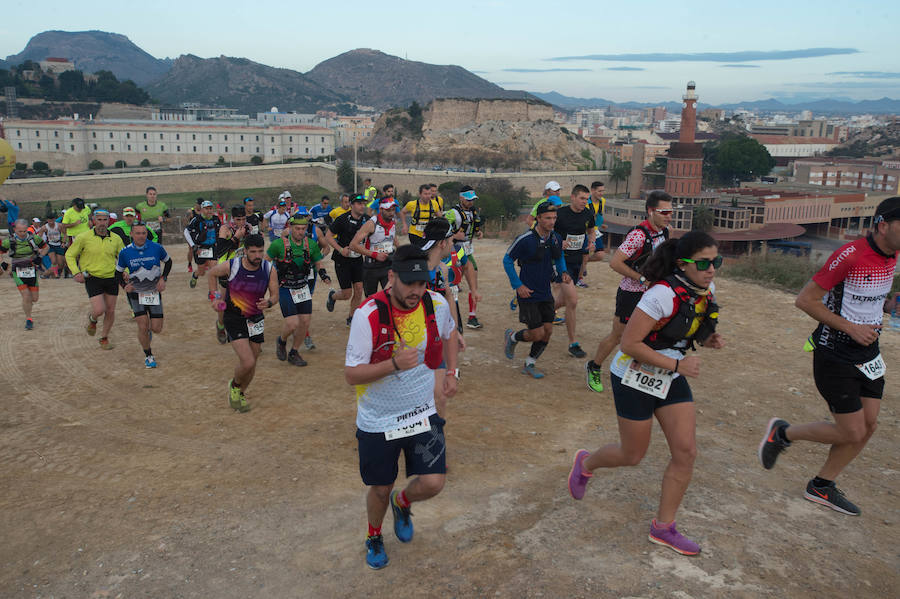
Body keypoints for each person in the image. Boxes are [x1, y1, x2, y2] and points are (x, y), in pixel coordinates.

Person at [568, 231, 725, 557]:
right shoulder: (661, 294)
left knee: (686, 452)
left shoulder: (704, 290)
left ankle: (663, 527)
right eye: (704, 263)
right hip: (633, 375)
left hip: (669, 376)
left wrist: (707, 339)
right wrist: (678, 365)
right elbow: (629, 343)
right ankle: (586, 463)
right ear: (683, 264)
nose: (711, 270)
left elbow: (686, 327)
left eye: (716, 262)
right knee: (632, 455)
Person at [759, 196, 900, 516]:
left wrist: (887, 304)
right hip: (835, 352)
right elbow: (805, 300)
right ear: (883, 226)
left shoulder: (892, 254)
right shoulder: (850, 255)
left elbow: (865, 295)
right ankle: (783, 433)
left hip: (869, 353)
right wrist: (850, 327)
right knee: (852, 430)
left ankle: (821, 486)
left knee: (869, 425)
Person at [345, 244, 459, 570]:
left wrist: (452, 371)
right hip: (379, 419)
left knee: (434, 482)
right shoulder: (368, 315)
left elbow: (450, 333)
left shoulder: (435, 304)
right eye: (409, 283)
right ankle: (374, 535)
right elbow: (351, 375)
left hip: (421, 411)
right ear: (392, 277)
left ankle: (403, 501)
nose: (416, 291)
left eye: (421, 283)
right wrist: (394, 364)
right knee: (380, 488)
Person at [586, 191, 673, 392]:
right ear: (651, 211)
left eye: (671, 212)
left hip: (653, 294)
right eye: (664, 212)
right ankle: (594, 366)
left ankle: (638, 377)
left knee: (649, 336)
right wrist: (641, 279)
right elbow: (615, 262)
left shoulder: (666, 231)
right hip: (631, 294)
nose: (669, 216)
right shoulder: (638, 235)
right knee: (618, 336)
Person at [206, 234, 279, 413]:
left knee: (253, 363)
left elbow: (275, 295)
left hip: (256, 318)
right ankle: (235, 385)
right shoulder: (233, 265)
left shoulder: (269, 269)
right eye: (253, 252)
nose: (257, 255)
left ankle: (240, 392)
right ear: (245, 251)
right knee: (247, 362)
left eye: (260, 251)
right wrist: (215, 297)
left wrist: (269, 303)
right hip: (234, 317)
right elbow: (211, 273)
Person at [502, 202, 568, 379]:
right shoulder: (525, 239)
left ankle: (530, 363)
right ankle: (512, 337)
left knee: (548, 331)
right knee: (537, 333)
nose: (552, 221)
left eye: (554, 218)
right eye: (548, 218)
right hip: (528, 293)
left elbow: (559, 257)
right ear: (538, 218)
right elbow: (507, 261)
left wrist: (563, 272)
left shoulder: (556, 238)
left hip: (545, 292)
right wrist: (518, 285)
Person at [267, 214, 331, 367]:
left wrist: (323, 274)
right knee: (292, 324)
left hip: (302, 287)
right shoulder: (278, 245)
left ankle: (294, 352)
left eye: (303, 228)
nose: (300, 232)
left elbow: (317, 261)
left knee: (305, 322)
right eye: (297, 228)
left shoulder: (311, 244)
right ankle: (281, 341)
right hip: (285, 288)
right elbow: (265, 263)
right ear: (290, 228)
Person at [65, 209, 126, 349]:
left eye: (105, 220)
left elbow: (124, 257)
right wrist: (76, 272)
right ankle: (93, 319)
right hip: (92, 277)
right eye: (99, 220)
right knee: (99, 309)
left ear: (109, 221)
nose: (102, 223)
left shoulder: (116, 238)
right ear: (93, 221)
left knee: (110, 310)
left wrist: (126, 271)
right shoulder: (84, 237)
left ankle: (104, 338)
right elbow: (70, 255)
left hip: (111, 277)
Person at [115, 222, 172, 368]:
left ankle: (147, 333)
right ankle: (149, 356)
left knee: (157, 328)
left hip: (153, 292)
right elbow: (118, 273)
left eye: (144, 233)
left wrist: (163, 278)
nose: (141, 236)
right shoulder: (125, 252)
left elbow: (168, 262)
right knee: (142, 326)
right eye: (138, 233)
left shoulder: (156, 247)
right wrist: (124, 286)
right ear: (131, 234)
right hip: (136, 293)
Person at [553, 185, 595, 358]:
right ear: (572, 197)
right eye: (582, 198)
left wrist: (591, 242)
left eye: (587, 199)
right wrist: (558, 242)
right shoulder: (560, 214)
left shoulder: (588, 214)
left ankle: (543, 312)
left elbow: (591, 230)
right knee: (572, 301)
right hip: (561, 261)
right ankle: (573, 343)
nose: (585, 202)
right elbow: (548, 232)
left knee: (562, 300)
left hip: (577, 261)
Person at [444, 185, 484, 329]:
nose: (471, 202)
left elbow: (472, 226)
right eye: (468, 200)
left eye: (473, 199)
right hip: (454, 251)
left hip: (467, 251)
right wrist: (455, 236)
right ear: (461, 198)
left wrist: (478, 232)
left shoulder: (473, 211)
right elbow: (441, 230)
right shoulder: (452, 213)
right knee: (449, 284)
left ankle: (472, 316)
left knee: (474, 281)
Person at [325, 194, 367, 326]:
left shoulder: (367, 220)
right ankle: (332, 296)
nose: (362, 206)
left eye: (364, 204)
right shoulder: (342, 219)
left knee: (359, 289)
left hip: (358, 259)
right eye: (359, 204)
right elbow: (328, 236)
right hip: (342, 259)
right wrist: (340, 249)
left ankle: (351, 317)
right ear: (352, 205)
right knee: (347, 293)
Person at [1, 218, 49, 329]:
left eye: (24, 231)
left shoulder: (33, 238)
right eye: (20, 231)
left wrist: (40, 257)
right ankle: (29, 319)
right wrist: (2, 263)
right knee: (26, 296)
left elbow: (46, 247)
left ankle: (27, 305)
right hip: (17, 271)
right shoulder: (10, 241)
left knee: (34, 298)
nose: (22, 233)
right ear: (14, 229)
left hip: (31, 270)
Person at [213, 206, 251, 342]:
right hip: (226, 268)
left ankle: (240, 328)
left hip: (242, 268)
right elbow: (220, 250)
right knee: (223, 301)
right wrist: (236, 237)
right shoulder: (225, 229)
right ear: (233, 218)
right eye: (238, 219)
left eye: (243, 219)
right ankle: (220, 325)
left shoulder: (248, 228)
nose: (241, 222)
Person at [350, 197, 399, 297]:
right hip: (372, 266)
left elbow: (392, 237)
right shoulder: (371, 224)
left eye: (393, 210)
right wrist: (375, 255)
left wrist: (401, 250)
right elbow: (353, 245)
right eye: (388, 210)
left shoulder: (393, 221)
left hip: (389, 264)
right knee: (371, 298)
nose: (391, 213)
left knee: (392, 296)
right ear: (381, 209)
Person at [185, 200, 222, 289]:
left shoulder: (216, 219)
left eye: (210, 208)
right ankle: (195, 275)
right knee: (202, 272)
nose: (209, 211)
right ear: (202, 210)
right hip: (200, 248)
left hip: (212, 247)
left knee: (213, 270)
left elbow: (220, 231)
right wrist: (193, 245)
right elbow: (186, 231)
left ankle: (212, 292)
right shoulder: (196, 220)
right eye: (206, 209)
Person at [578, 181, 608, 287]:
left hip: (594, 230)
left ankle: (583, 263)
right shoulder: (585, 203)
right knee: (585, 254)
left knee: (600, 255)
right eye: (599, 191)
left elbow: (597, 215)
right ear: (593, 191)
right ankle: (579, 278)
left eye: (603, 191)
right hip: (584, 231)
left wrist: (601, 224)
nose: (602, 193)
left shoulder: (602, 201)